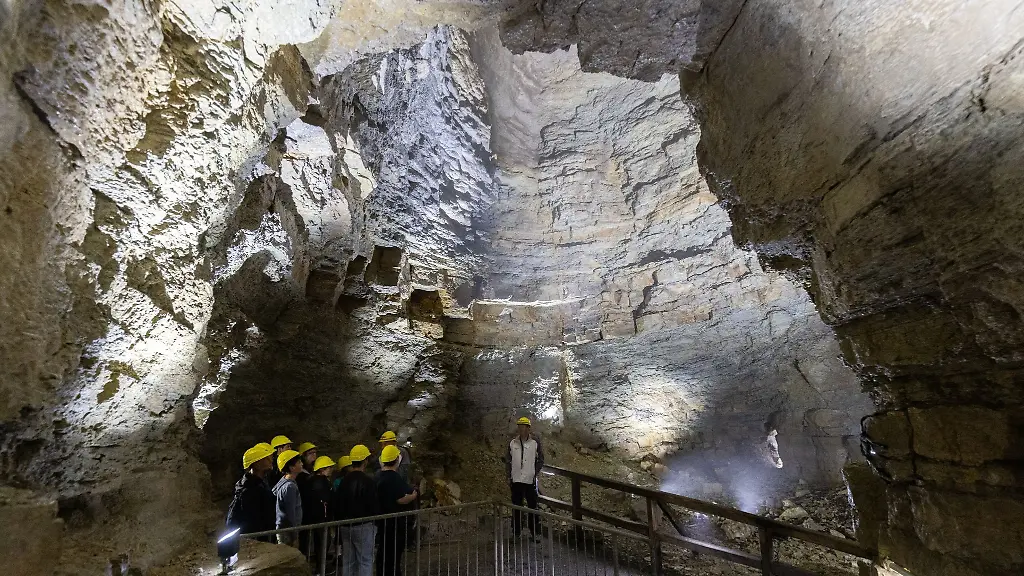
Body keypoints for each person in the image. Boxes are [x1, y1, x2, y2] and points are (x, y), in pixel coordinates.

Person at [333, 445, 378, 576]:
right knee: (365, 561)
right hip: (364, 526)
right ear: (365, 461)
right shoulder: (368, 481)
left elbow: (338, 503)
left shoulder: (343, 481)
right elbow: (373, 504)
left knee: (348, 561)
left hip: (345, 527)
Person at [375, 445, 418, 576]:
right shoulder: (393, 478)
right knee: (393, 557)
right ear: (396, 460)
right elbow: (400, 499)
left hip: (381, 522)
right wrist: (413, 496)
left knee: (383, 554)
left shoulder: (377, 476)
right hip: (394, 524)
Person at [226, 443, 276, 542]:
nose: (271, 460)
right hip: (257, 540)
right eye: (267, 458)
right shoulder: (249, 490)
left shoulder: (258, 483)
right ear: (257, 464)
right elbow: (253, 521)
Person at [506, 416, 544, 541]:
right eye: (519, 427)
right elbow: (508, 460)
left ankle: (534, 532)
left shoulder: (535, 443)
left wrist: (534, 472)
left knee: (533, 506)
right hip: (516, 480)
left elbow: (541, 459)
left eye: (523, 427)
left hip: (529, 480)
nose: (521, 429)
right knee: (517, 507)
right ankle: (516, 532)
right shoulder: (512, 443)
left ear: (528, 428)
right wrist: (508, 475)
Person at [272, 449, 304, 546]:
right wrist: (294, 535)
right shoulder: (290, 487)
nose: (302, 464)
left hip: (284, 529)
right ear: (291, 467)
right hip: (287, 532)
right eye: (299, 462)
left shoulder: (284, 481)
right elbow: (290, 513)